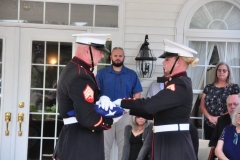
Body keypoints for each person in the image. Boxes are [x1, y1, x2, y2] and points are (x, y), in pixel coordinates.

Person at [114, 39, 199, 160]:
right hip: (168, 141)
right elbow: (155, 112)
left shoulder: (179, 84)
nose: (163, 63)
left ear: (178, 62)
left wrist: (121, 102)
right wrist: (126, 109)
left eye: (167, 59)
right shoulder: (177, 82)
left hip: (174, 145)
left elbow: (149, 105)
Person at [53, 33, 119, 160]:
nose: (102, 55)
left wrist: (101, 98)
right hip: (81, 144)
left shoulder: (75, 69)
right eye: (99, 51)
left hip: (74, 140)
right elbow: (88, 118)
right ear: (86, 51)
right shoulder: (81, 75)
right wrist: (111, 120)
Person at [96, 47, 143, 160]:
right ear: (111, 57)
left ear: (124, 57)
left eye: (120, 56)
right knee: (104, 146)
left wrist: (131, 110)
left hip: (125, 114)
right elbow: (95, 93)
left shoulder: (131, 74)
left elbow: (137, 94)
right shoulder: (102, 73)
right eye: (115, 56)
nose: (118, 58)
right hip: (106, 115)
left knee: (124, 146)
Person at [199, 62, 239, 140]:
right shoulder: (208, 87)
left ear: (228, 73)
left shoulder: (234, 87)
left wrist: (219, 118)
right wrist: (210, 117)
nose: (221, 72)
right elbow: (202, 105)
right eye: (219, 70)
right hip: (209, 123)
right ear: (216, 72)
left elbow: (236, 106)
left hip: (227, 123)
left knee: (224, 147)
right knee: (210, 147)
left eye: (224, 70)